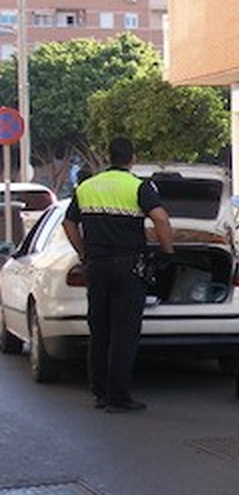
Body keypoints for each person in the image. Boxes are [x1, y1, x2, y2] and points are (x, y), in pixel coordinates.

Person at [63, 136, 174, 413]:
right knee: (124, 333)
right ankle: (119, 397)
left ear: (107, 157)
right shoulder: (139, 186)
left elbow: (68, 223)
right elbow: (160, 218)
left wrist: (84, 252)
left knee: (99, 330)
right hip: (128, 266)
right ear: (132, 158)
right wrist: (167, 251)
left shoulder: (86, 187)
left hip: (97, 266)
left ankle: (99, 392)